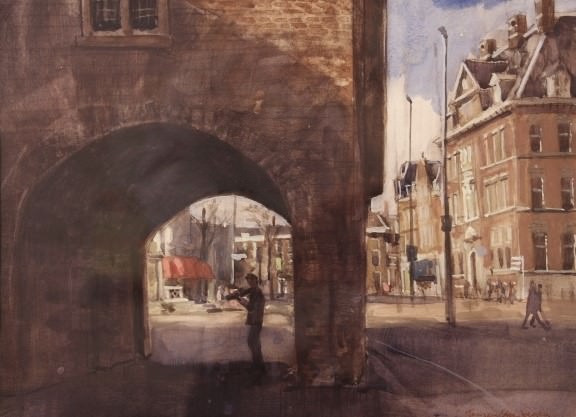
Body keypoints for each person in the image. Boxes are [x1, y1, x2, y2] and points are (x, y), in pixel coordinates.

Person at [225, 273, 266, 375]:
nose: (249, 282)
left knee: (252, 342)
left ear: (255, 280)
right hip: (256, 319)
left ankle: (259, 366)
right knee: (254, 342)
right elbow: (243, 292)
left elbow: (250, 307)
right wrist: (236, 294)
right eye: (248, 280)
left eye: (251, 280)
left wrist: (239, 299)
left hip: (256, 319)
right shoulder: (253, 290)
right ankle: (258, 365)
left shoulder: (256, 292)